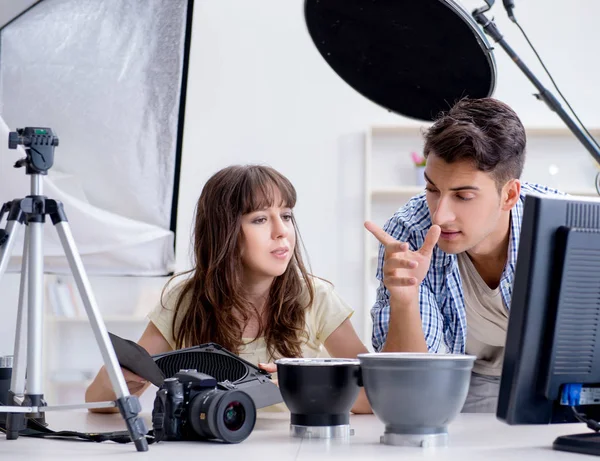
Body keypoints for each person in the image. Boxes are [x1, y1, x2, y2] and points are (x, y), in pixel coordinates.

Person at [86, 164, 371, 413]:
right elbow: (98, 403)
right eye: (260, 219)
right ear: (224, 232)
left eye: (286, 216)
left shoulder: (316, 296)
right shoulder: (184, 300)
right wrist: (117, 382)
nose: (281, 230)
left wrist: (305, 385)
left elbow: (373, 397)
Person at [365, 97, 562, 413]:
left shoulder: (562, 227)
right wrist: (404, 299)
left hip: (560, 383)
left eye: (464, 196)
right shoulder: (410, 231)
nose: (440, 216)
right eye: (432, 190)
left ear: (509, 195)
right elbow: (410, 385)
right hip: (473, 384)